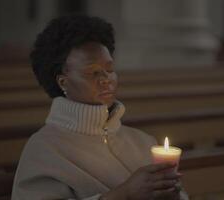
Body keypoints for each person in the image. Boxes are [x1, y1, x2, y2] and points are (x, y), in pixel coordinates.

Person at [11, 15, 189, 200]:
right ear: (63, 82)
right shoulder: (44, 149)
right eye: (93, 72)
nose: (107, 79)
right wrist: (124, 195)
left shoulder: (144, 142)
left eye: (110, 69)